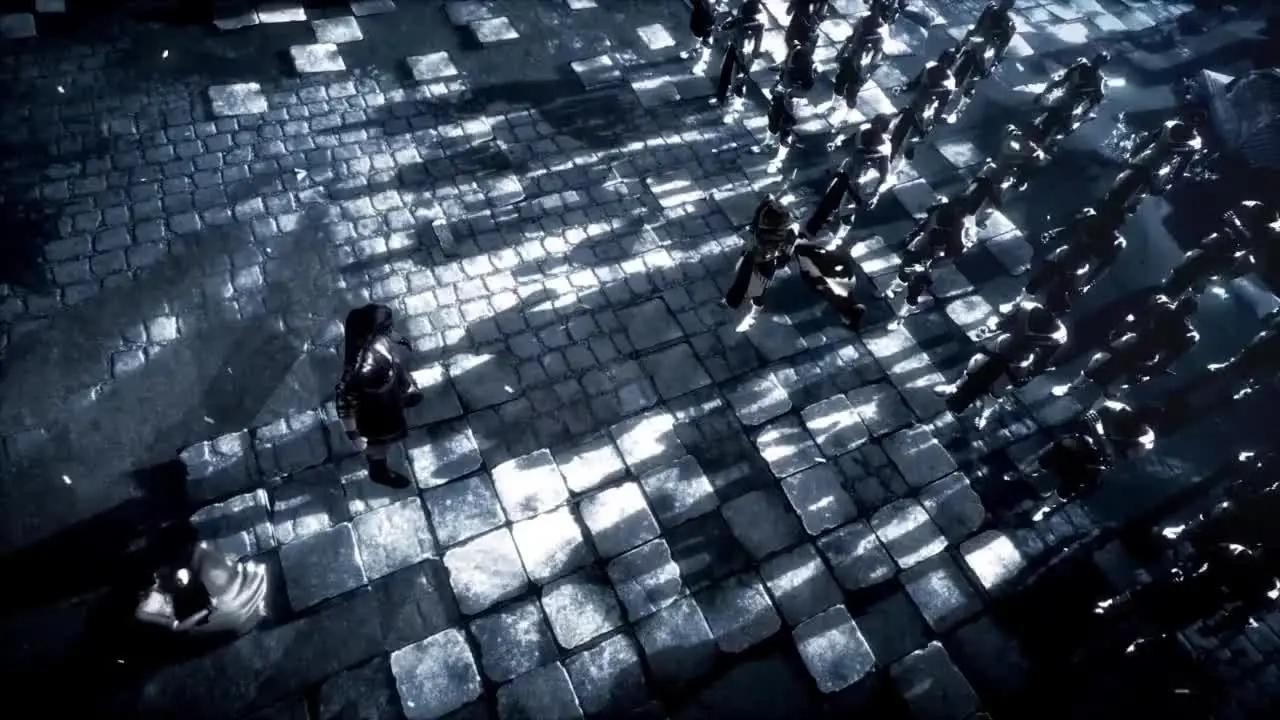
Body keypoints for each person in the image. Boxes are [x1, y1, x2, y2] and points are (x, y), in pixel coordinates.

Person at [934, 299, 1067, 426]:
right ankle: (955, 387)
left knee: (997, 391)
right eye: (1049, 306)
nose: (1049, 311)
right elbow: (1009, 321)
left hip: (1019, 362)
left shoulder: (1058, 336)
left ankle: (986, 414)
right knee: (975, 365)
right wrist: (992, 328)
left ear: (1059, 314)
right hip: (1002, 345)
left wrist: (1030, 375)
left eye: (1053, 310)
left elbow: (1044, 360)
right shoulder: (1028, 308)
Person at [1017, 397, 1155, 518]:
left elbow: (1113, 459)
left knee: (1080, 482)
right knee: (1064, 445)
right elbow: (1084, 424)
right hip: (1082, 443)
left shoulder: (1144, 440)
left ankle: (1046, 506)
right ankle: (1028, 472)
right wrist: (1095, 436)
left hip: (1096, 462)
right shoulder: (1112, 409)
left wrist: (1100, 436)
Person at [336, 304, 422, 489]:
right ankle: (378, 470)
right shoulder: (359, 370)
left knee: (396, 398)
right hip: (374, 410)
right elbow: (344, 402)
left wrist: (400, 340)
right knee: (379, 442)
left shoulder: (377, 338)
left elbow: (388, 334)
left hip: (389, 392)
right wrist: (354, 435)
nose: (388, 330)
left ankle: (402, 398)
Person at [1051, 293, 1200, 398]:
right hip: (1136, 340)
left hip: (1149, 355)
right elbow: (1138, 317)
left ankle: (1100, 403)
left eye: (1183, 310)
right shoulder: (1162, 306)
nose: (1178, 310)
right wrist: (1120, 330)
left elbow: (1168, 359)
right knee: (1099, 360)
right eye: (1180, 306)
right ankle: (1073, 386)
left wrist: (1149, 370)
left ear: (1187, 314)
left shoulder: (1186, 334)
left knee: (1118, 384)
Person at [1004, 206, 1126, 315]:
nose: (1106, 223)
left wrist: (1089, 283)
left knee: (1059, 296)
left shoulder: (1116, 242)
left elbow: (1104, 266)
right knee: (1039, 280)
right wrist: (1053, 234)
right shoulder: (1091, 218)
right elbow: (1070, 229)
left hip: (1078, 268)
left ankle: (1043, 316)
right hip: (1065, 255)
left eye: (1111, 223)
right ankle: (1016, 305)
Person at [804, 113, 893, 236]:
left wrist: (876, 193)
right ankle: (814, 227)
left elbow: (885, 173)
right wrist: (837, 141)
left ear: (882, 128)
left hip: (859, 182)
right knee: (829, 201)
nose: (873, 126)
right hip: (847, 173)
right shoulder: (863, 130)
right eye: (874, 123)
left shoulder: (884, 148)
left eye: (877, 125)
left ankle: (834, 235)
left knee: (845, 211)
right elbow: (848, 134)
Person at [887, 196, 973, 312]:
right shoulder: (941, 212)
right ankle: (898, 289)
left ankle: (905, 308)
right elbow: (925, 227)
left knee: (918, 283)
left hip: (937, 256)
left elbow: (952, 253)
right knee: (907, 268)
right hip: (924, 247)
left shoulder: (958, 226)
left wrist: (927, 265)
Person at [723, 194, 798, 327]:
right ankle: (732, 300)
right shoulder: (765, 208)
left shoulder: (789, 232)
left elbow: (784, 256)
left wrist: (775, 257)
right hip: (753, 253)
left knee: (756, 290)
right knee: (741, 278)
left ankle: (754, 314)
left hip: (767, 262)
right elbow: (754, 228)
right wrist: (745, 252)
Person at [962, 125, 1047, 225]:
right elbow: (1038, 161)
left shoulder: (1014, 136)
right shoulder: (1030, 148)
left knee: (977, 193)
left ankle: (967, 213)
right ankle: (976, 219)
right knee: (989, 201)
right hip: (1001, 176)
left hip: (994, 170)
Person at [891, 49, 957, 159]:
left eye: (947, 64)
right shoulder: (928, 67)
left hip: (925, 113)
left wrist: (936, 118)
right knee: (897, 133)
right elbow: (915, 83)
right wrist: (902, 88)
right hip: (913, 106)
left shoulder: (949, 83)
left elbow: (941, 106)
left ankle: (911, 147)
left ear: (950, 65)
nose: (943, 65)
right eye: (942, 62)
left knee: (915, 136)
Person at [793, 241, 867, 328]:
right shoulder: (827, 289)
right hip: (813, 257)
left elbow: (844, 262)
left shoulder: (851, 283)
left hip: (824, 256)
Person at [831, 12, 889, 111]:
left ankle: (843, 107)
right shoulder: (875, 36)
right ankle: (842, 106)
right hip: (855, 66)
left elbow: (850, 40)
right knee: (846, 87)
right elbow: (875, 57)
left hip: (854, 65)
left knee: (846, 87)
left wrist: (842, 53)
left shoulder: (866, 31)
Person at [714, 0, 765, 107]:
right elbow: (758, 43)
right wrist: (754, 54)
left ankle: (723, 98)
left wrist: (724, 25)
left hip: (736, 50)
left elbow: (724, 27)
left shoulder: (738, 21)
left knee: (727, 73)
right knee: (740, 77)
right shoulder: (759, 25)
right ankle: (735, 96)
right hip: (746, 52)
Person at [964, 0, 1017, 69]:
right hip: (982, 34)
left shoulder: (1007, 21)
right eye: (1004, 2)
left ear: (1009, 6)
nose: (1004, 5)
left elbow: (1004, 40)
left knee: (988, 57)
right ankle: (962, 47)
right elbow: (980, 22)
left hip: (990, 40)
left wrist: (1003, 31)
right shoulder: (990, 9)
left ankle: (992, 63)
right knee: (970, 31)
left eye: (1007, 4)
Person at [681, 0, 723, 73]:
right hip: (701, 23)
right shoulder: (704, 10)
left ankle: (699, 60)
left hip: (701, 22)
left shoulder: (704, 9)